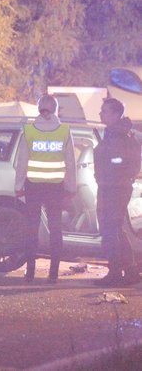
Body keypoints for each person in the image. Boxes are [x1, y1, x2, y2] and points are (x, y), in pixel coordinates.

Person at [13, 94, 76, 283]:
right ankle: (53, 274)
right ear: (56, 109)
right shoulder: (64, 131)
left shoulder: (30, 130)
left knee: (32, 228)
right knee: (56, 229)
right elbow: (70, 162)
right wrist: (71, 187)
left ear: (39, 108)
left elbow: (21, 161)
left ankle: (30, 272)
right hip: (56, 187)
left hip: (33, 186)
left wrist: (18, 186)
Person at [93, 97, 142, 287]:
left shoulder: (121, 136)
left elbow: (126, 163)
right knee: (114, 229)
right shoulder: (113, 133)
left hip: (115, 188)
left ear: (115, 114)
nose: (100, 113)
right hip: (110, 186)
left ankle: (117, 272)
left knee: (111, 229)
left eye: (104, 111)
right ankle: (128, 271)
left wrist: (111, 173)